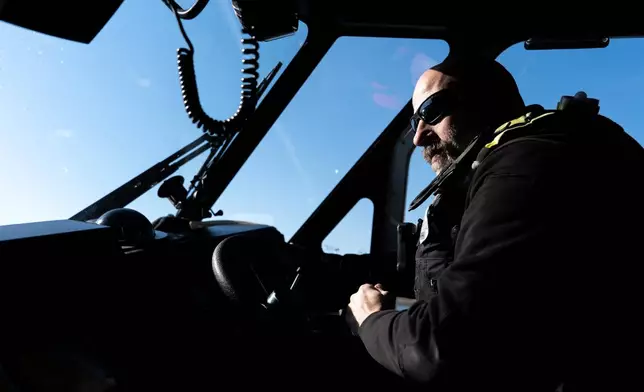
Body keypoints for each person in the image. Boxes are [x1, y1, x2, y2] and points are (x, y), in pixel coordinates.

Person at [348, 54, 644, 391]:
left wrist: (372, 321)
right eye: (415, 120)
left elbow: (444, 347)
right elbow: (449, 270)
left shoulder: (529, 167)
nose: (418, 137)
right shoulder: (488, 175)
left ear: (485, 102)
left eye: (431, 111)